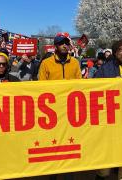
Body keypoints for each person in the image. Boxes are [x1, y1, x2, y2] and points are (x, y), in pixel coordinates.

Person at [38, 32, 82, 180]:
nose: (64, 45)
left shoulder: (75, 63)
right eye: (60, 43)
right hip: (52, 113)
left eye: (66, 43)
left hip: (70, 112)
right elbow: (41, 88)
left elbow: (79, 86)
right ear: (55, 46)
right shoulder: (46, 63)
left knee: (70, 143)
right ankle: (53, 175)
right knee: (53, 145)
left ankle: (69, 174)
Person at [95, 40, 122, 180]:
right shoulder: (104, 69)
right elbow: (94, 90)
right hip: (110, 123)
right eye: (121, 49)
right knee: (104, 168)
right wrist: (112, 84)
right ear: (115, 52)